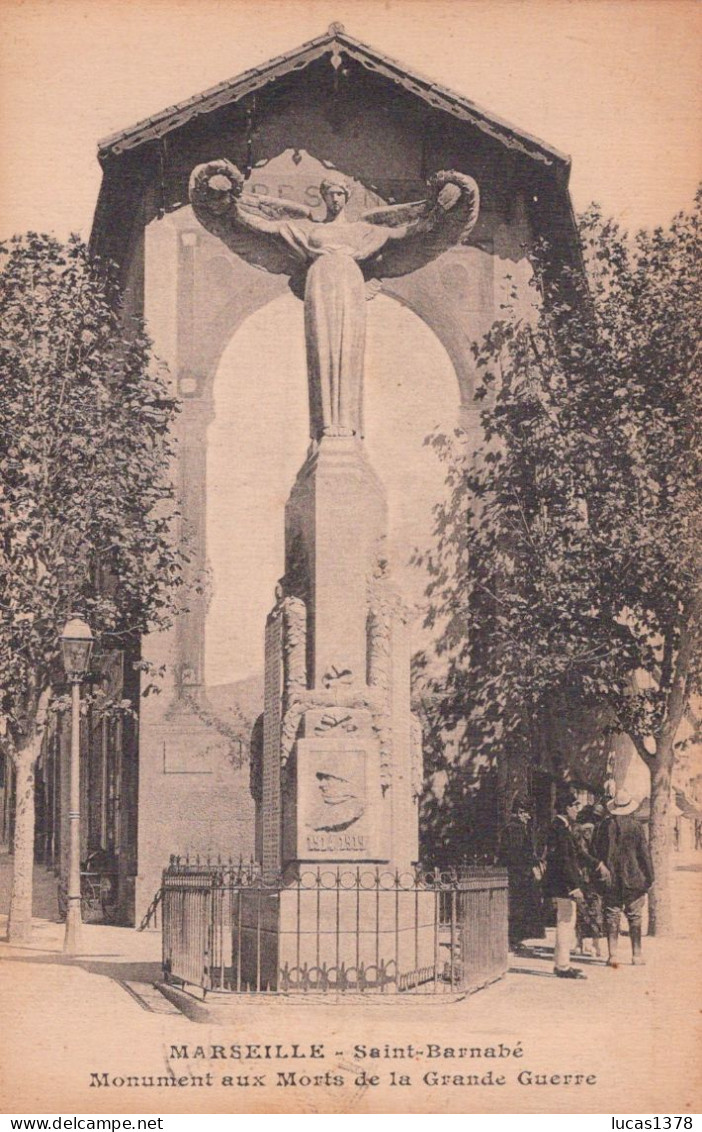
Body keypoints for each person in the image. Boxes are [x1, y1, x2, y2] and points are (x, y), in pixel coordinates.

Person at [189, 159, 480, 440]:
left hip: (350, 287)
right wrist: (227, 206)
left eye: (340, 193)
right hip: (319, 286)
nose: (336, 199)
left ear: (347, 197)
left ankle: (347, 426)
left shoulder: (365, 230)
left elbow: (408, 233)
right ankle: (326, 427)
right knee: (322, 351)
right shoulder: (308, 230)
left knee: (349, 351)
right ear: (324, 197)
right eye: (330, 194)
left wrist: (443, 211)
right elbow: (259, 227)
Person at [543, 788, 608, 979]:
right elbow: (565, 861)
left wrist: (597, 864)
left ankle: (561, 963)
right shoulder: (560, 829)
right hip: (563, 885)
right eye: (574, 806)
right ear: (566, 807)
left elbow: (577, 854)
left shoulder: (562, 827)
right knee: (565, 923)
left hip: (561, 883)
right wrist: (574, 887)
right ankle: (562, 966)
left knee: (566, 922)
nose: (576, 810)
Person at [591, 789, 654, 966]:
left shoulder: (603, 826)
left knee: (612, 915)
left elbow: (595, 852)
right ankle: (636, 955)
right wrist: (649, 877)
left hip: (610, 878)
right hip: (634, 878)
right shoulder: (637, 827)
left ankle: (613, 955)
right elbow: (644, 854)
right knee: (635, 916)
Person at [497, 794, 544, 953]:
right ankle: (512, 941)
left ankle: (514, 940)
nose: (529, 817)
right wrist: (532, 867)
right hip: (517, 876)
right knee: (516, 908)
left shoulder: (515, 827)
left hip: (517, 874)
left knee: (518, 908)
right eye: (526, 813)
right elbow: (517, 854)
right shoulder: (515, 828)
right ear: (519, 811)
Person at [572, 804, 604, 957]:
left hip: (579, 873)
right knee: (595, 907)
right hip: (593, 874)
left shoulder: (575, 831)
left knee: (580, 908)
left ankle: (579, 944)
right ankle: (595, 945)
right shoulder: (594, 830)